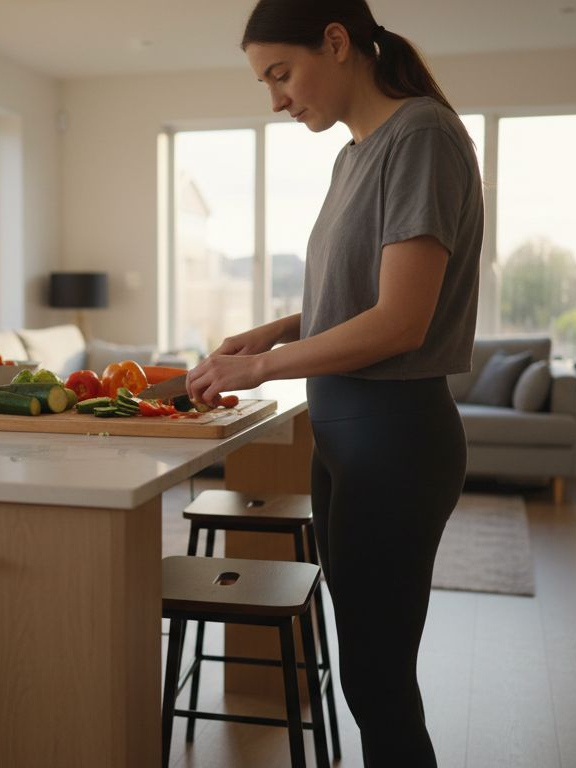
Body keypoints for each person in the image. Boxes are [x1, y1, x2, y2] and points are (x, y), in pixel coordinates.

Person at [184, 1, 483, 765]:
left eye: (281, 73)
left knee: (380, 685)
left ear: (339, 42)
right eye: (265, 82)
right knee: (367, 678)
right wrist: (281, 328)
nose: (277, 98)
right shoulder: (357, 153)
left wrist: (257, 369)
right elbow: (364, 291)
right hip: (349, 435)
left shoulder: (420, 135)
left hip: (395, 439)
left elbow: (400, 322)